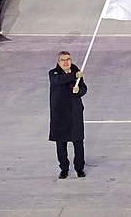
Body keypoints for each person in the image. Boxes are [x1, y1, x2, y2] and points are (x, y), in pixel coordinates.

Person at [48, 51, 87, 179]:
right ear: (58, 62)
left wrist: (78, 90)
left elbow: (84, 88)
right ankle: (64, 168)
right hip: (60, 114)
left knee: (78, 142)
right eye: (63, 60)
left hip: (74, 113)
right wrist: (74, 76)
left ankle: (79, 168)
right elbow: (59, 80)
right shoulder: (53, 73)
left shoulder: (77, 73)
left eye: (68, 59)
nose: (66, 62)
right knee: (61, 143)